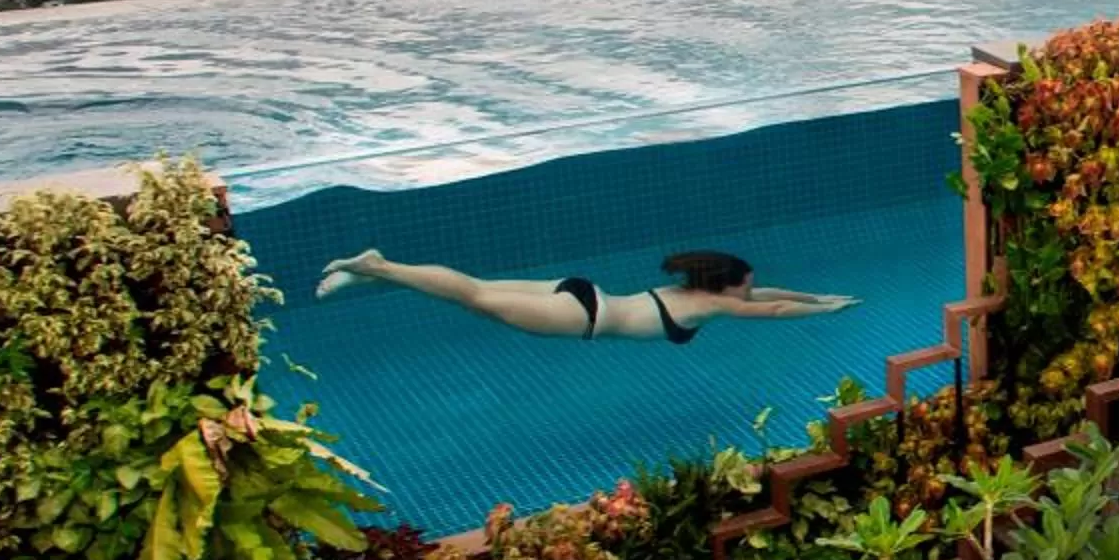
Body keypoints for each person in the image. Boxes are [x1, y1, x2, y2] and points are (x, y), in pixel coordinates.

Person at [315, 247, 855, 343]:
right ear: (729, 287)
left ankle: (375, 273)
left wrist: (818, 293)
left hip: (580, 292)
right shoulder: (713, 305)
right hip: (583, 317)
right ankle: (377, 265)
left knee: (475, 289)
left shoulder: (698, 292)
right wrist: (825, 310)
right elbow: (773, 306)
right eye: (747, 284)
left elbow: (772, 294)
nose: (752, 291)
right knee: (474, 296)